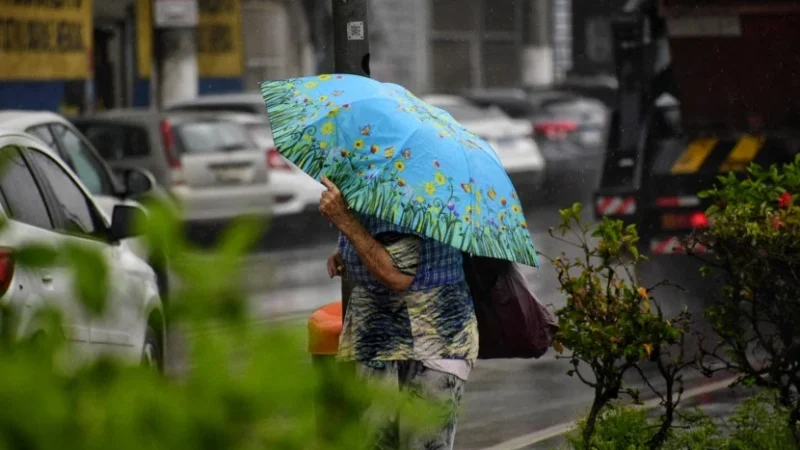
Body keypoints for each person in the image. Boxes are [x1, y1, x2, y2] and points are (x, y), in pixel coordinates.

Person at [318, 176, 478, 450]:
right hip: (377, 339)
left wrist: (344, 221)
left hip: (432, 340)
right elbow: (380, 236)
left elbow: (397, 275)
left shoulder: (412, 181)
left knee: (421, 443)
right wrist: (347, 250)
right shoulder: (378, 173)